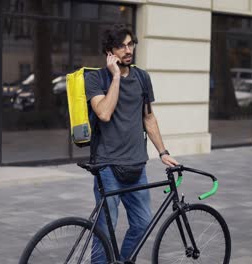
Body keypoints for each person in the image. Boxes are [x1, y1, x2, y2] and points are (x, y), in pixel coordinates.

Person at [85, 25, 179, 263]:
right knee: (104, 232)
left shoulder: (142, 77)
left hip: (137, 165)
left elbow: (148, 117)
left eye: (130, 44)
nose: (128, 50)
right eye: (121, 46)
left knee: (143, 224)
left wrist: (163, 151)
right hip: (107, 166)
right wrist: (116, 76)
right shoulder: (95, 78)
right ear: (109, 51)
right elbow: (104, 113)